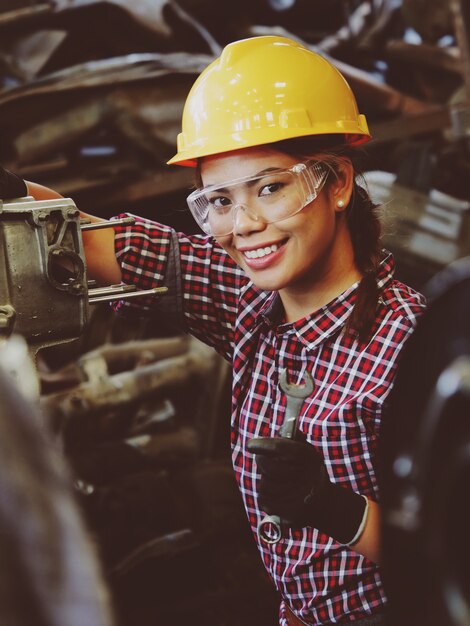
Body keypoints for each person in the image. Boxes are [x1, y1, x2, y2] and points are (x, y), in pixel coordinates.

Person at [2, 36, 426, 626]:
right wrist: (11, 192)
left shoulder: (414, 348)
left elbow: (451, 553)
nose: (244, 225)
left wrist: (337, 510)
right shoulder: (249, 303)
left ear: (337, 184)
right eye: (219, 201)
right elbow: (78, 236)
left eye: (271, 187)